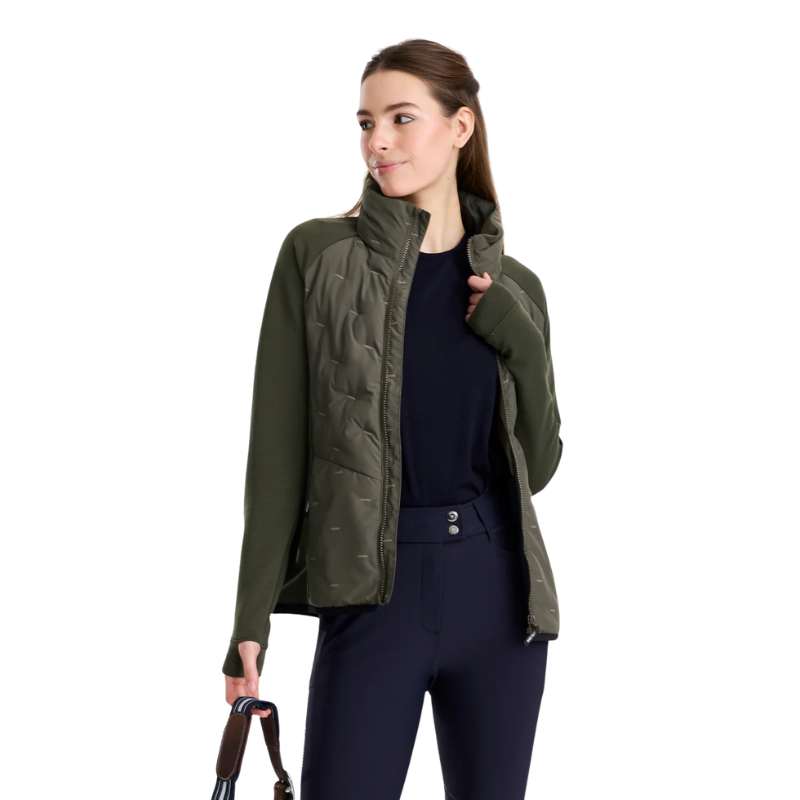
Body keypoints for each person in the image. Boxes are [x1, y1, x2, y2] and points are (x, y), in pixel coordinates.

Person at [222, 38, 564, 800]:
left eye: (401, 118)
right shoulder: (317, 255)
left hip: (497, 594)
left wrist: (521, 342)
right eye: (366, 122)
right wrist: (250, 619)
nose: (378, 140)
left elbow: (537, 466)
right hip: (373, 592)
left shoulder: (516, 287)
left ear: (460, 127)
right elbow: (277, 454)